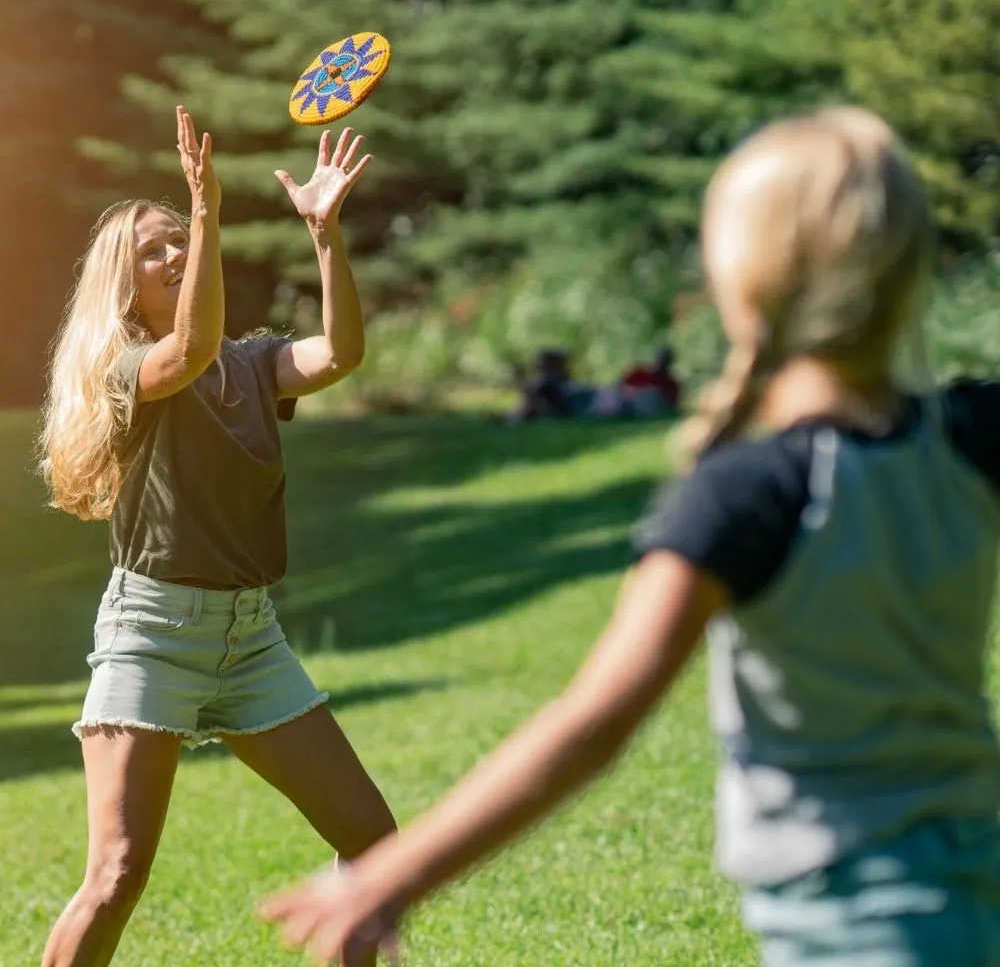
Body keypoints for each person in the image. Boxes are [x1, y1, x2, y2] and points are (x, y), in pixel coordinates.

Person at [260, 106, 1000, 967]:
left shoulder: (746, 492)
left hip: (853, 929)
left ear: (742, 278)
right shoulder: (967, 437)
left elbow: (594, 722)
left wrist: (390, 878)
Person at [37, 106, 396, 967]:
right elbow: (188, 348)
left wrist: (324, 233)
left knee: (375, 844)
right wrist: (204, 210)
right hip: (152, 634)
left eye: (176, 240)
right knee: (117, 873)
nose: (169, 254)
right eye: (151, 250)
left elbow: (341, 353)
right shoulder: (127, 372)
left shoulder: (252, 362)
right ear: (123, 287)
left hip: (249, 636)